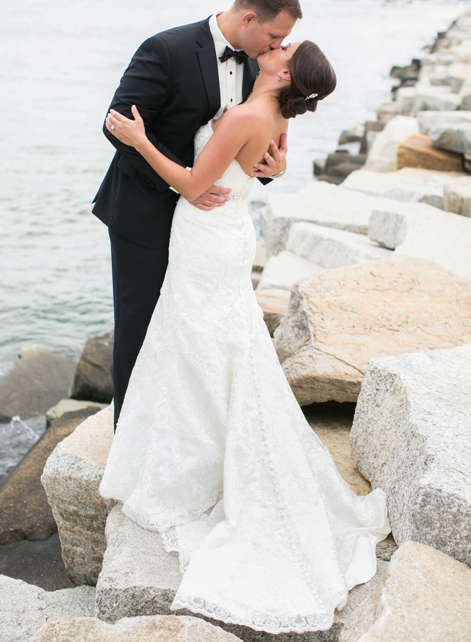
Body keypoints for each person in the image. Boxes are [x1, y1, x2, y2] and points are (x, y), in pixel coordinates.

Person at [98, 41, 390, 634]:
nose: (274, 47)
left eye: (284, 48)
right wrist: (271, 166)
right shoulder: (278, 117)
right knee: (218, 349)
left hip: (206, 237)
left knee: (200, 348)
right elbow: (268, 164)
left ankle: (194, 467)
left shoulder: (245, 116)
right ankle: (206, 448)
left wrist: (138, 142)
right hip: (230, 235)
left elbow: (188, 181)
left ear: (283, 73)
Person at [92, 0, 301, 428]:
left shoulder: (257, 66)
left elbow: (251, 139)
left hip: (208, 229)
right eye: (275, 35)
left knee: (193, 328)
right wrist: (186, 184)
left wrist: (276, 167)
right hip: (143, 211)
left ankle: (183, 430)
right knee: (141, 325)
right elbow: (117, 129)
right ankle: (128, 435)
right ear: (249, 18)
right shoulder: (165, 49)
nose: (276, 46)